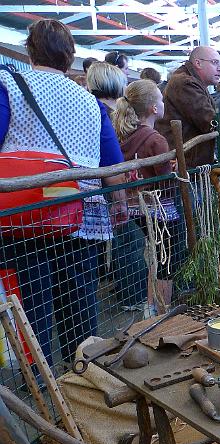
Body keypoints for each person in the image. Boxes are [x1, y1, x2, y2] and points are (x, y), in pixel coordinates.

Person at [0, 19, 125, 365]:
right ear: (70, 57)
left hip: (24, 213)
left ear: (30, 51)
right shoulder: (90, 102)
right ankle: (83, 370)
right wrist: (120, 204)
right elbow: (112, 163)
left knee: (30, 303)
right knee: (80, 299)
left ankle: (39, 380)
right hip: (80, 213)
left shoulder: (9, 86)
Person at [113, 79, 186, 310]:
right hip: (159, 209)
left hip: (135, 206)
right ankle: (161, 308)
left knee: (154, 255)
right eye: (161, 100)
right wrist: (175, 172)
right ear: (154, 108)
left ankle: (151, 304)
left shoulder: (125, 136)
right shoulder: (156, 139)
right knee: (166, 259)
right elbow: (164, 182)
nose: (163, 103)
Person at [156, 46, 220, 168]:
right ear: (198, 63)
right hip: (184, 165)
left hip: (188, 161)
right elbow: (209, 120)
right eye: (214, 62)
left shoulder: (192, 82)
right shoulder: (185, 83)